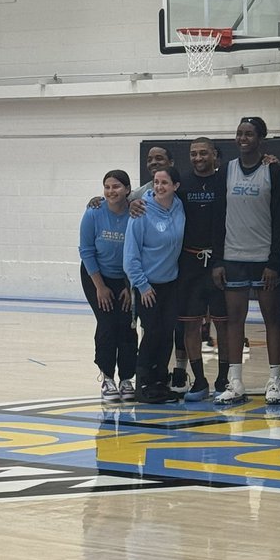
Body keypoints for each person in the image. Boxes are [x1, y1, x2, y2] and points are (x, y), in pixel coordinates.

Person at [213, 116, 280, 405]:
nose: (243, 138)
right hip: (233, 257)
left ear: (261, 138)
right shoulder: (227, 171)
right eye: (239, 133)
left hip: (263, 259)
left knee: (272, 320)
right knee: (235, 320)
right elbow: (218, 217)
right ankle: (235, 382)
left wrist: (274, 262)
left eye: (249, 134)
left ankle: (274, 380)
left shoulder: (273, 170)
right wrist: (218, 260)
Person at [173, 137, 229, 401]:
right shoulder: (181, 184)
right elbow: (152, 193)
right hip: (189, 263)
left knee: (224, 324)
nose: (198, 158)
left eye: (203, 153)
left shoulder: (225, 180)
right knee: (190, 325)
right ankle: (199, 380)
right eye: (194, 153)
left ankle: (224, 378)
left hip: (219, 260)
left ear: (214, 155)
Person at [123, 165, 186, 404]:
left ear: (175, 187)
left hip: (170, 283)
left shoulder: (179, 206)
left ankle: (161, 381)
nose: (159, 187)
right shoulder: (141, 212)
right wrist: (142, 285)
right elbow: (130, 256)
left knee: (166, 333)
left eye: (165, 183)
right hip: (147, 285)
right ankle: (143, 383)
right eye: (156, 182)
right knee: (151, 333)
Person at [78, 169, 137, 402]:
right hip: (96, 277)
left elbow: (138, 251)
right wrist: (100, 287)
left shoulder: (135, 213)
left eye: (116, 187)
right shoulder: (93, 212)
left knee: (127, 326)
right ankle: (107, 378)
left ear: (127, 190)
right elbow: (86, 250)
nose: (111, 191)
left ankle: (126, 378)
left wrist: (129, 285)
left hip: (125, 279)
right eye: (107, 187)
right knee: (107, 324)